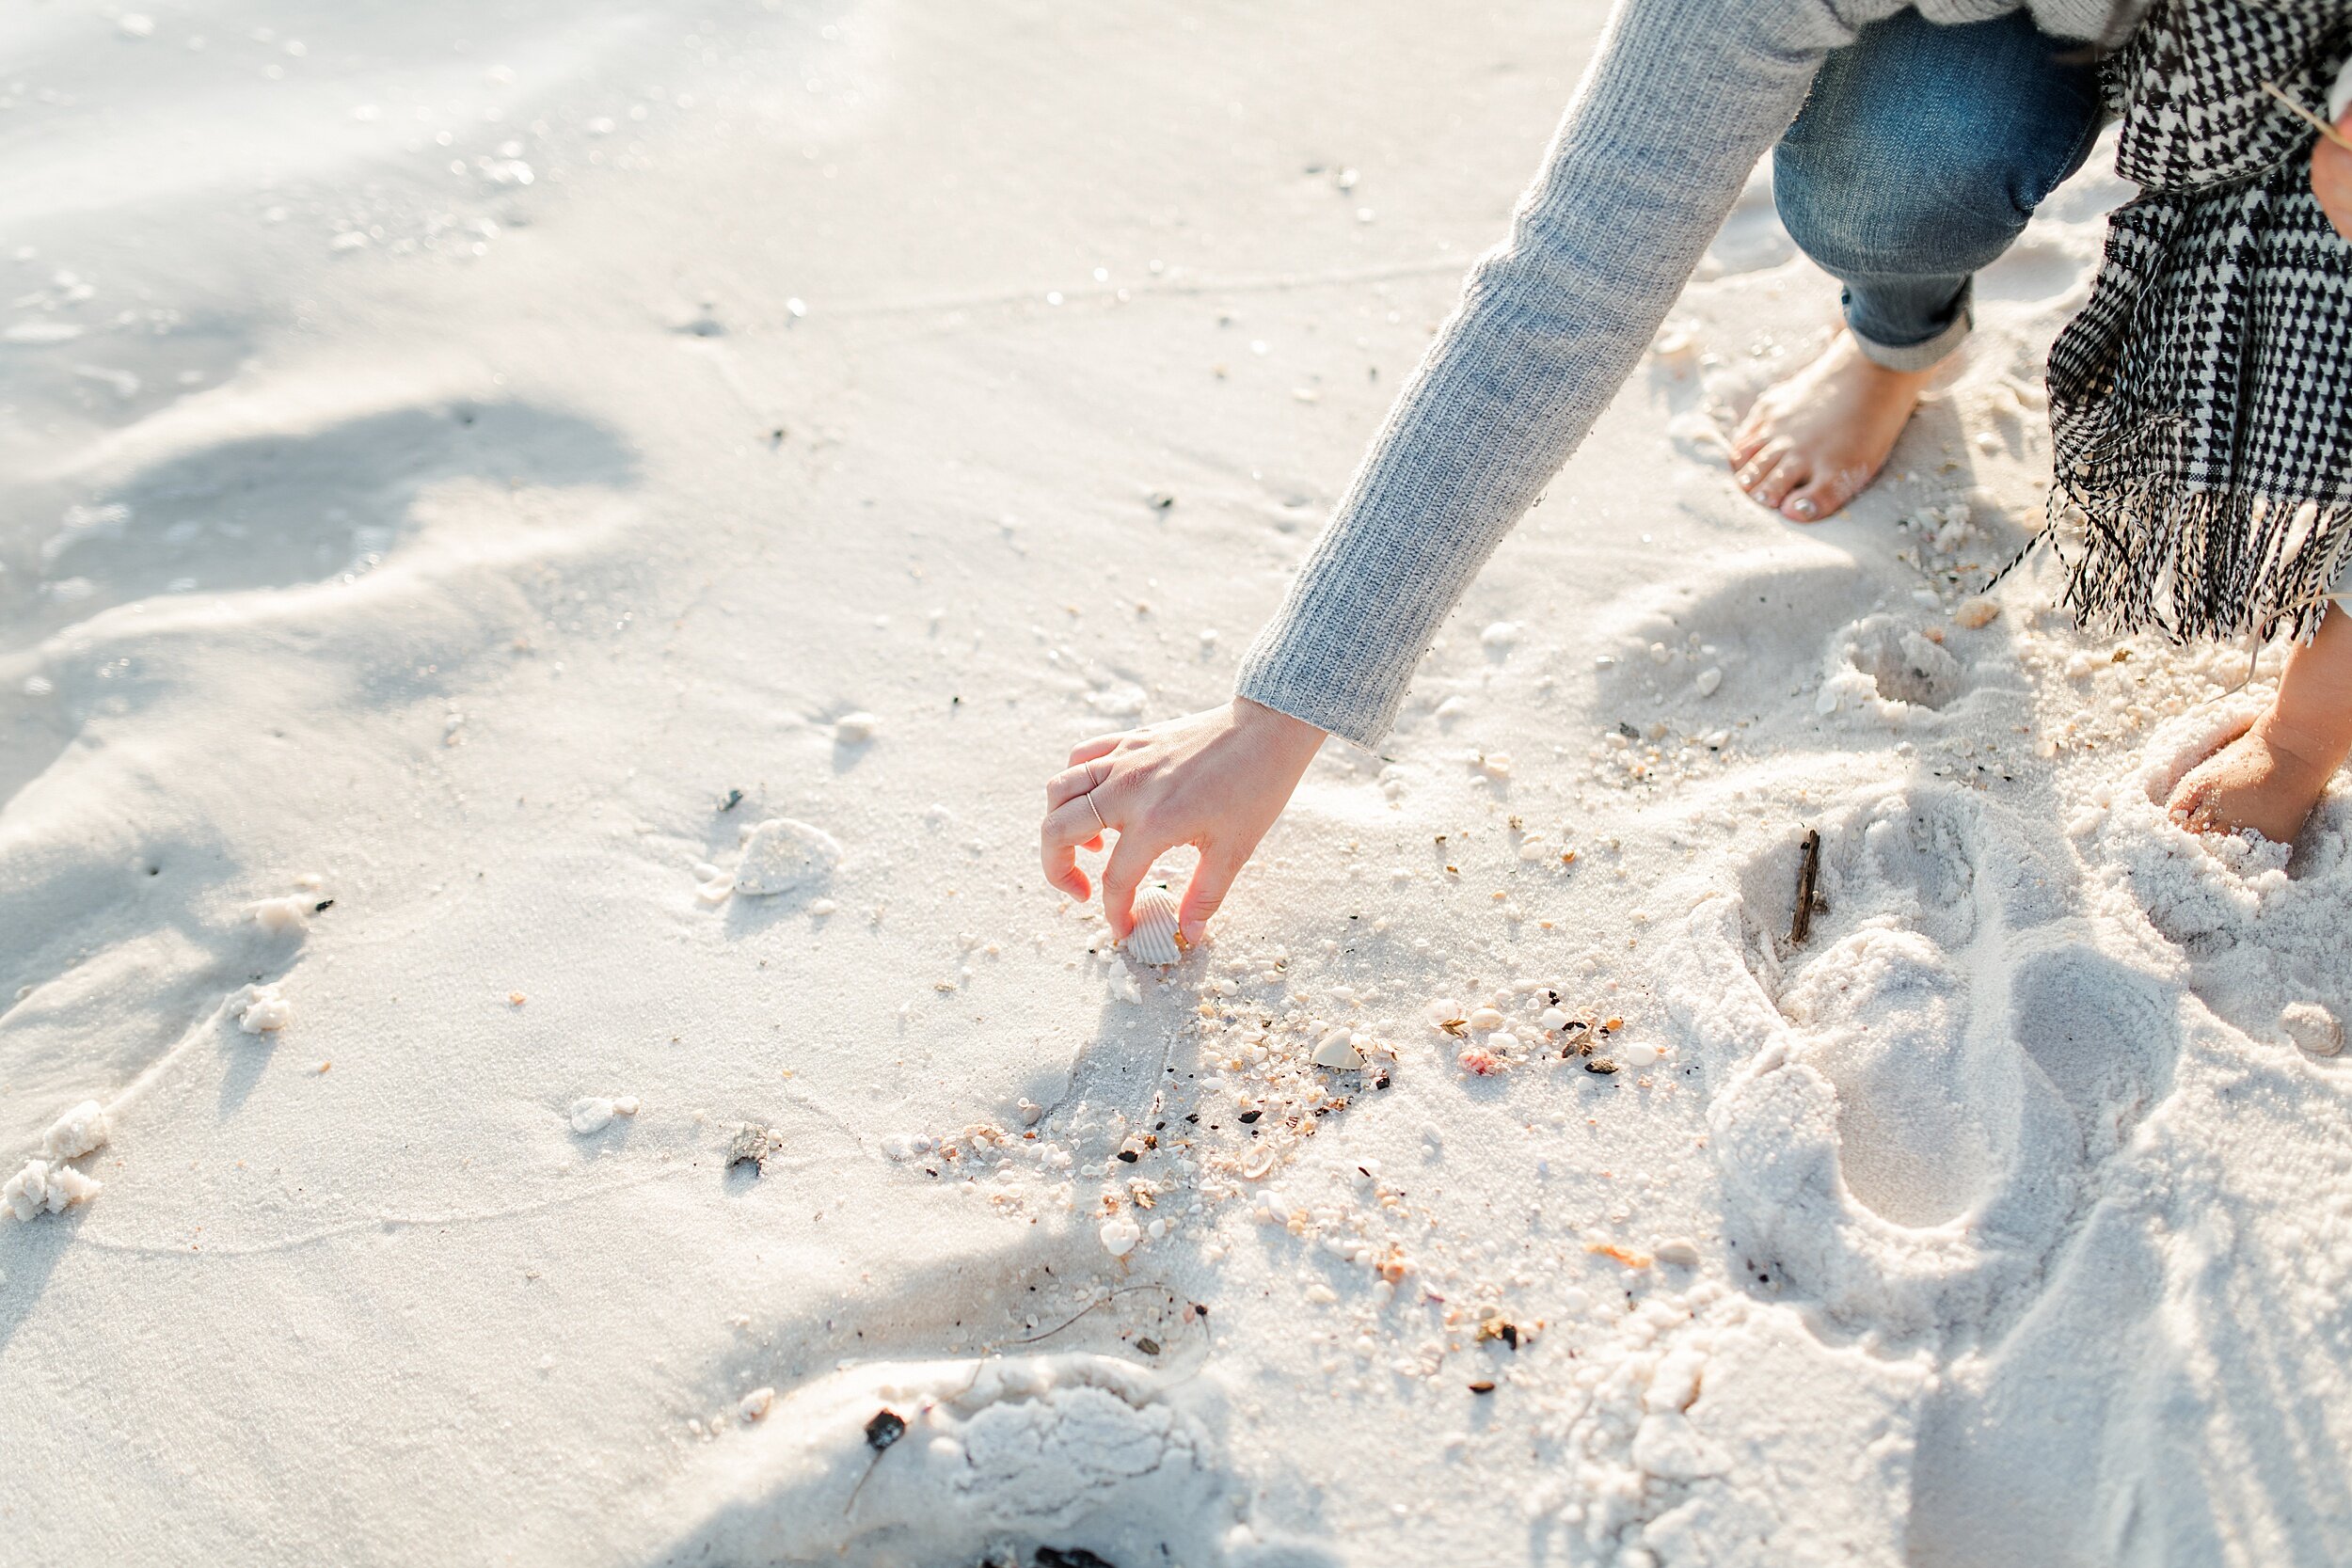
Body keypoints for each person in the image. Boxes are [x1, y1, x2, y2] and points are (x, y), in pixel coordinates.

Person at [1040, 0, 2352, 943]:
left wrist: (2299, 745)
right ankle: (1893, 337)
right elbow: (1568, 281)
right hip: (2111, 47)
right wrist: (1280, 713)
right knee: (1904, 158)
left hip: (2283, 57)